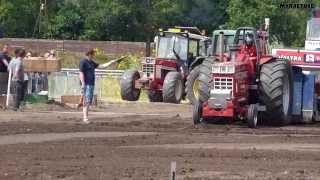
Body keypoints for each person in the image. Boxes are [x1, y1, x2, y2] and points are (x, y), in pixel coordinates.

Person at [79, 49, 99, 124]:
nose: (94, 56)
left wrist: (111, 62)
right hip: (86, 84)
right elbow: (81, 73)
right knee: (86, 101)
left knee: (88, 101)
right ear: (89, 54)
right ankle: (85, 118)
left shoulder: (92, 62)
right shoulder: (83, 62)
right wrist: (83, 83)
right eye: (93, 54)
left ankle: (86, 117)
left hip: (91, 84)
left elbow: (101, 66)